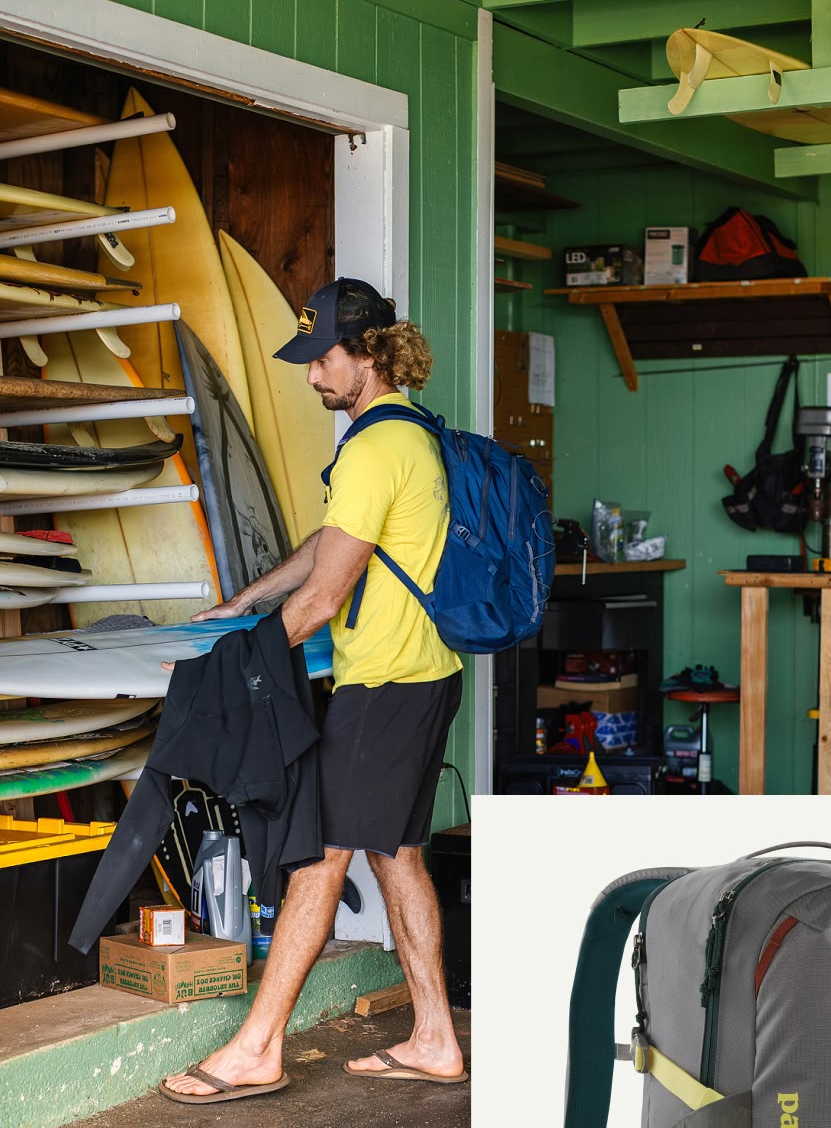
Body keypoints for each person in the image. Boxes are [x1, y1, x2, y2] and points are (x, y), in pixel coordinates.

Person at [161, 278, 466, 1103]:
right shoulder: (406, 433)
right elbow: (329, 543)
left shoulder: (374, 447)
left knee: (320, 859)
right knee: (395, 852)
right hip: (424, 675)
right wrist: (241, 606)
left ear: (368, 354)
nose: (311, 375)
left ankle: (257, 1049)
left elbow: (324, 599)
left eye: (324, 358)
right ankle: (436, 1037)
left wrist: (221, 663)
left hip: (386, 684)